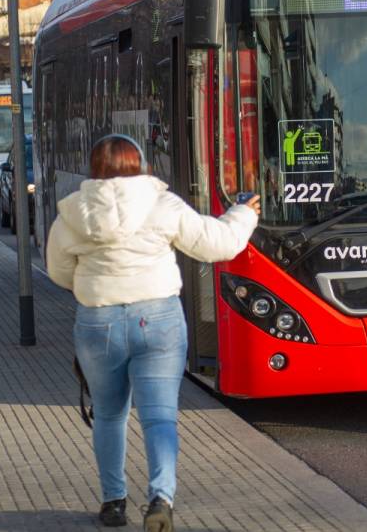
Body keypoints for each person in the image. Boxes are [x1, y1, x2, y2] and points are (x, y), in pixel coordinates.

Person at [46, 134, 259, 531]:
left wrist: (95, 285)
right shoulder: (163, 204)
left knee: (109, 415)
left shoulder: (73, 212)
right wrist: (242, 214)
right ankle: (161, 498)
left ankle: (113, 504)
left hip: (98, 323)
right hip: (158, 319)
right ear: (141, 165)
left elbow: (58, 271)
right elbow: (218, 245)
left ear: (94, 168)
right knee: (160, 418)